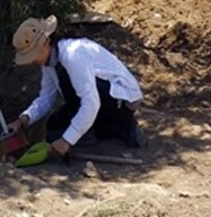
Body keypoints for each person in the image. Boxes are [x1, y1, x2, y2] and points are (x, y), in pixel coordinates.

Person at [8, 16, 146, 157]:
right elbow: (46, 98)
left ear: (46, 43)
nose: (32, 60)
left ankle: (95, 137)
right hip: (99, 99)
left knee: (67, 82)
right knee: (53, 125)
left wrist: (66, 141)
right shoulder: (49, 63)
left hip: (120, 100)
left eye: (32, 54)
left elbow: (90, 102)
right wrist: (23, 120)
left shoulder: (73, 55)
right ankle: (114, 129)